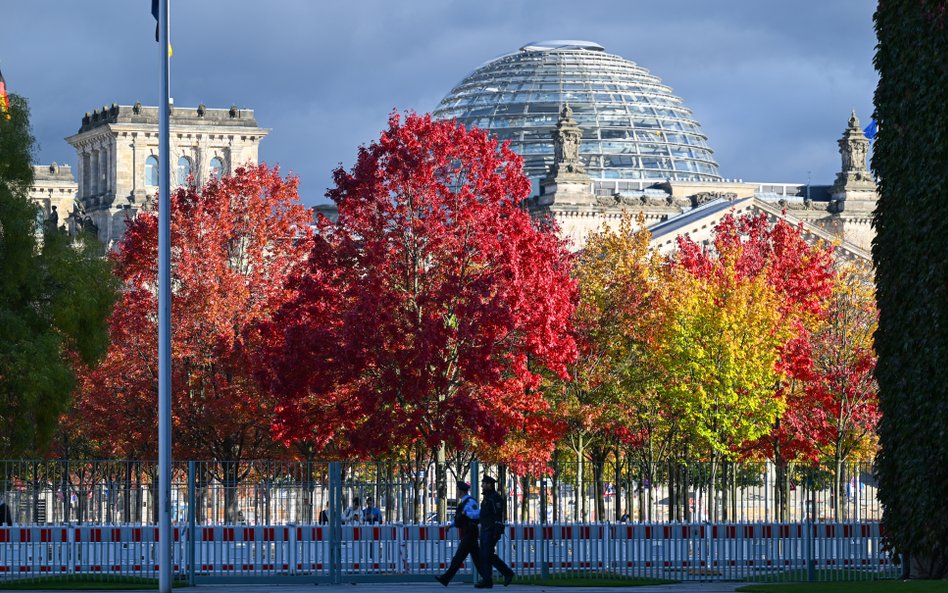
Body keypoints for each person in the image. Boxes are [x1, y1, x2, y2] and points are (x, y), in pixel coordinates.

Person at [470, 475, 514, 588]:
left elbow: (498, 515)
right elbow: (485, 514)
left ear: (489, 484)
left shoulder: (495, 498)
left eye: (484, 483)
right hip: (485, 529)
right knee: (487, 555)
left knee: (487, 555)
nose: (482, 485)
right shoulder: (487, 497)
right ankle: (489, 579)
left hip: (491, 530)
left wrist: (496, 530)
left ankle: (502, 574)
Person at [435, 481, 482, 587]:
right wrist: (450, 526)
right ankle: (487, 578)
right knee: (476, 559)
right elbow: (459, 519)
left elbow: (477, 514)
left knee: (459, 557)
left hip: (470, 534)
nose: (456, 492)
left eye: (457, 490)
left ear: (461, 491)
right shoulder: (463, 503)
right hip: (467, 533)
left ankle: (445, 578)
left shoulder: (470, 502)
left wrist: (467, 513)